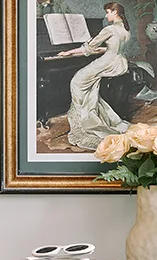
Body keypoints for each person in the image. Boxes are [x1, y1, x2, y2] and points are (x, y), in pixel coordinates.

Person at [58, 2, 131, 150]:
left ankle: (85, 118)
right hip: (119, 62)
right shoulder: (125, 29)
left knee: (77, 81)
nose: (106, 15)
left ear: (115, 12)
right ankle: (93, 111)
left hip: (108, 62)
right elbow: (113, 46)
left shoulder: (109, 29)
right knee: (89, 83)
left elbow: (89, 47)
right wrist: (102, 49)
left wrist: (69, 52)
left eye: (108, 12)